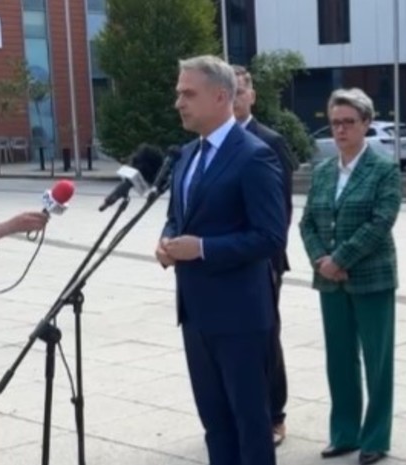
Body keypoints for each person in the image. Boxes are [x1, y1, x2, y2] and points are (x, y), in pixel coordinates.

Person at [156, 54, 286, 465]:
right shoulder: (186, 156)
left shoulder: (254, 155)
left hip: (240, 317)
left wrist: (203, 249)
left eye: (188, 93)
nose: (178, 102)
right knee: (215, 423)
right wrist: (166, 240)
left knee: (250, 424)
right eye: (178, 93)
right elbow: (177, 216)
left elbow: (270, 236)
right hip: (196, 314)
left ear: (220, 96)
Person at [299, 88, 401, 465]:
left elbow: (381, 222)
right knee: (339, 359)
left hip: (372, 278)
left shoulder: (384, 169)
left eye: (348, 122)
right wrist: (320, 260)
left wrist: (340, 258)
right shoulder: (324, 171)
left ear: (366, 123)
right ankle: (344, 433)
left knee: (377, 361)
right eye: (335, 123)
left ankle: (375, 437)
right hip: (330, 280)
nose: (340, 130)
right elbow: (307, 222)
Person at [233, 64, 295, 447]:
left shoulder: (270, 142)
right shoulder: (212, 142)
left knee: (265, 337)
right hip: (223, 264)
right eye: (229, 91)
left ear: (252, 96)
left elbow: (281, 209)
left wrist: (268, 254)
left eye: (240, 91)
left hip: (263, 262)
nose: (235, 98)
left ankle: (274, 414)